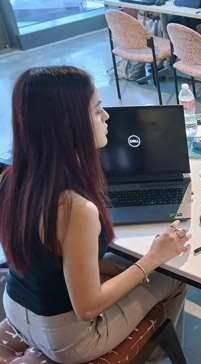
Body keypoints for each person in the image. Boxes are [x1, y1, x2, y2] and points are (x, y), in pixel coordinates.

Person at [0, 66, 191, 364]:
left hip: (15, 307)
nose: (107, 118)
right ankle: (154, 352)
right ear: (68, 125)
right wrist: (154, 258)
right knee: (173, 277)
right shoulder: (75, 209)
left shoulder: (13, 178)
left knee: (128, 264)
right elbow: (87, 308)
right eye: (98, 110)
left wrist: (126, 268)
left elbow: (50, 259)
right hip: (65, 338)